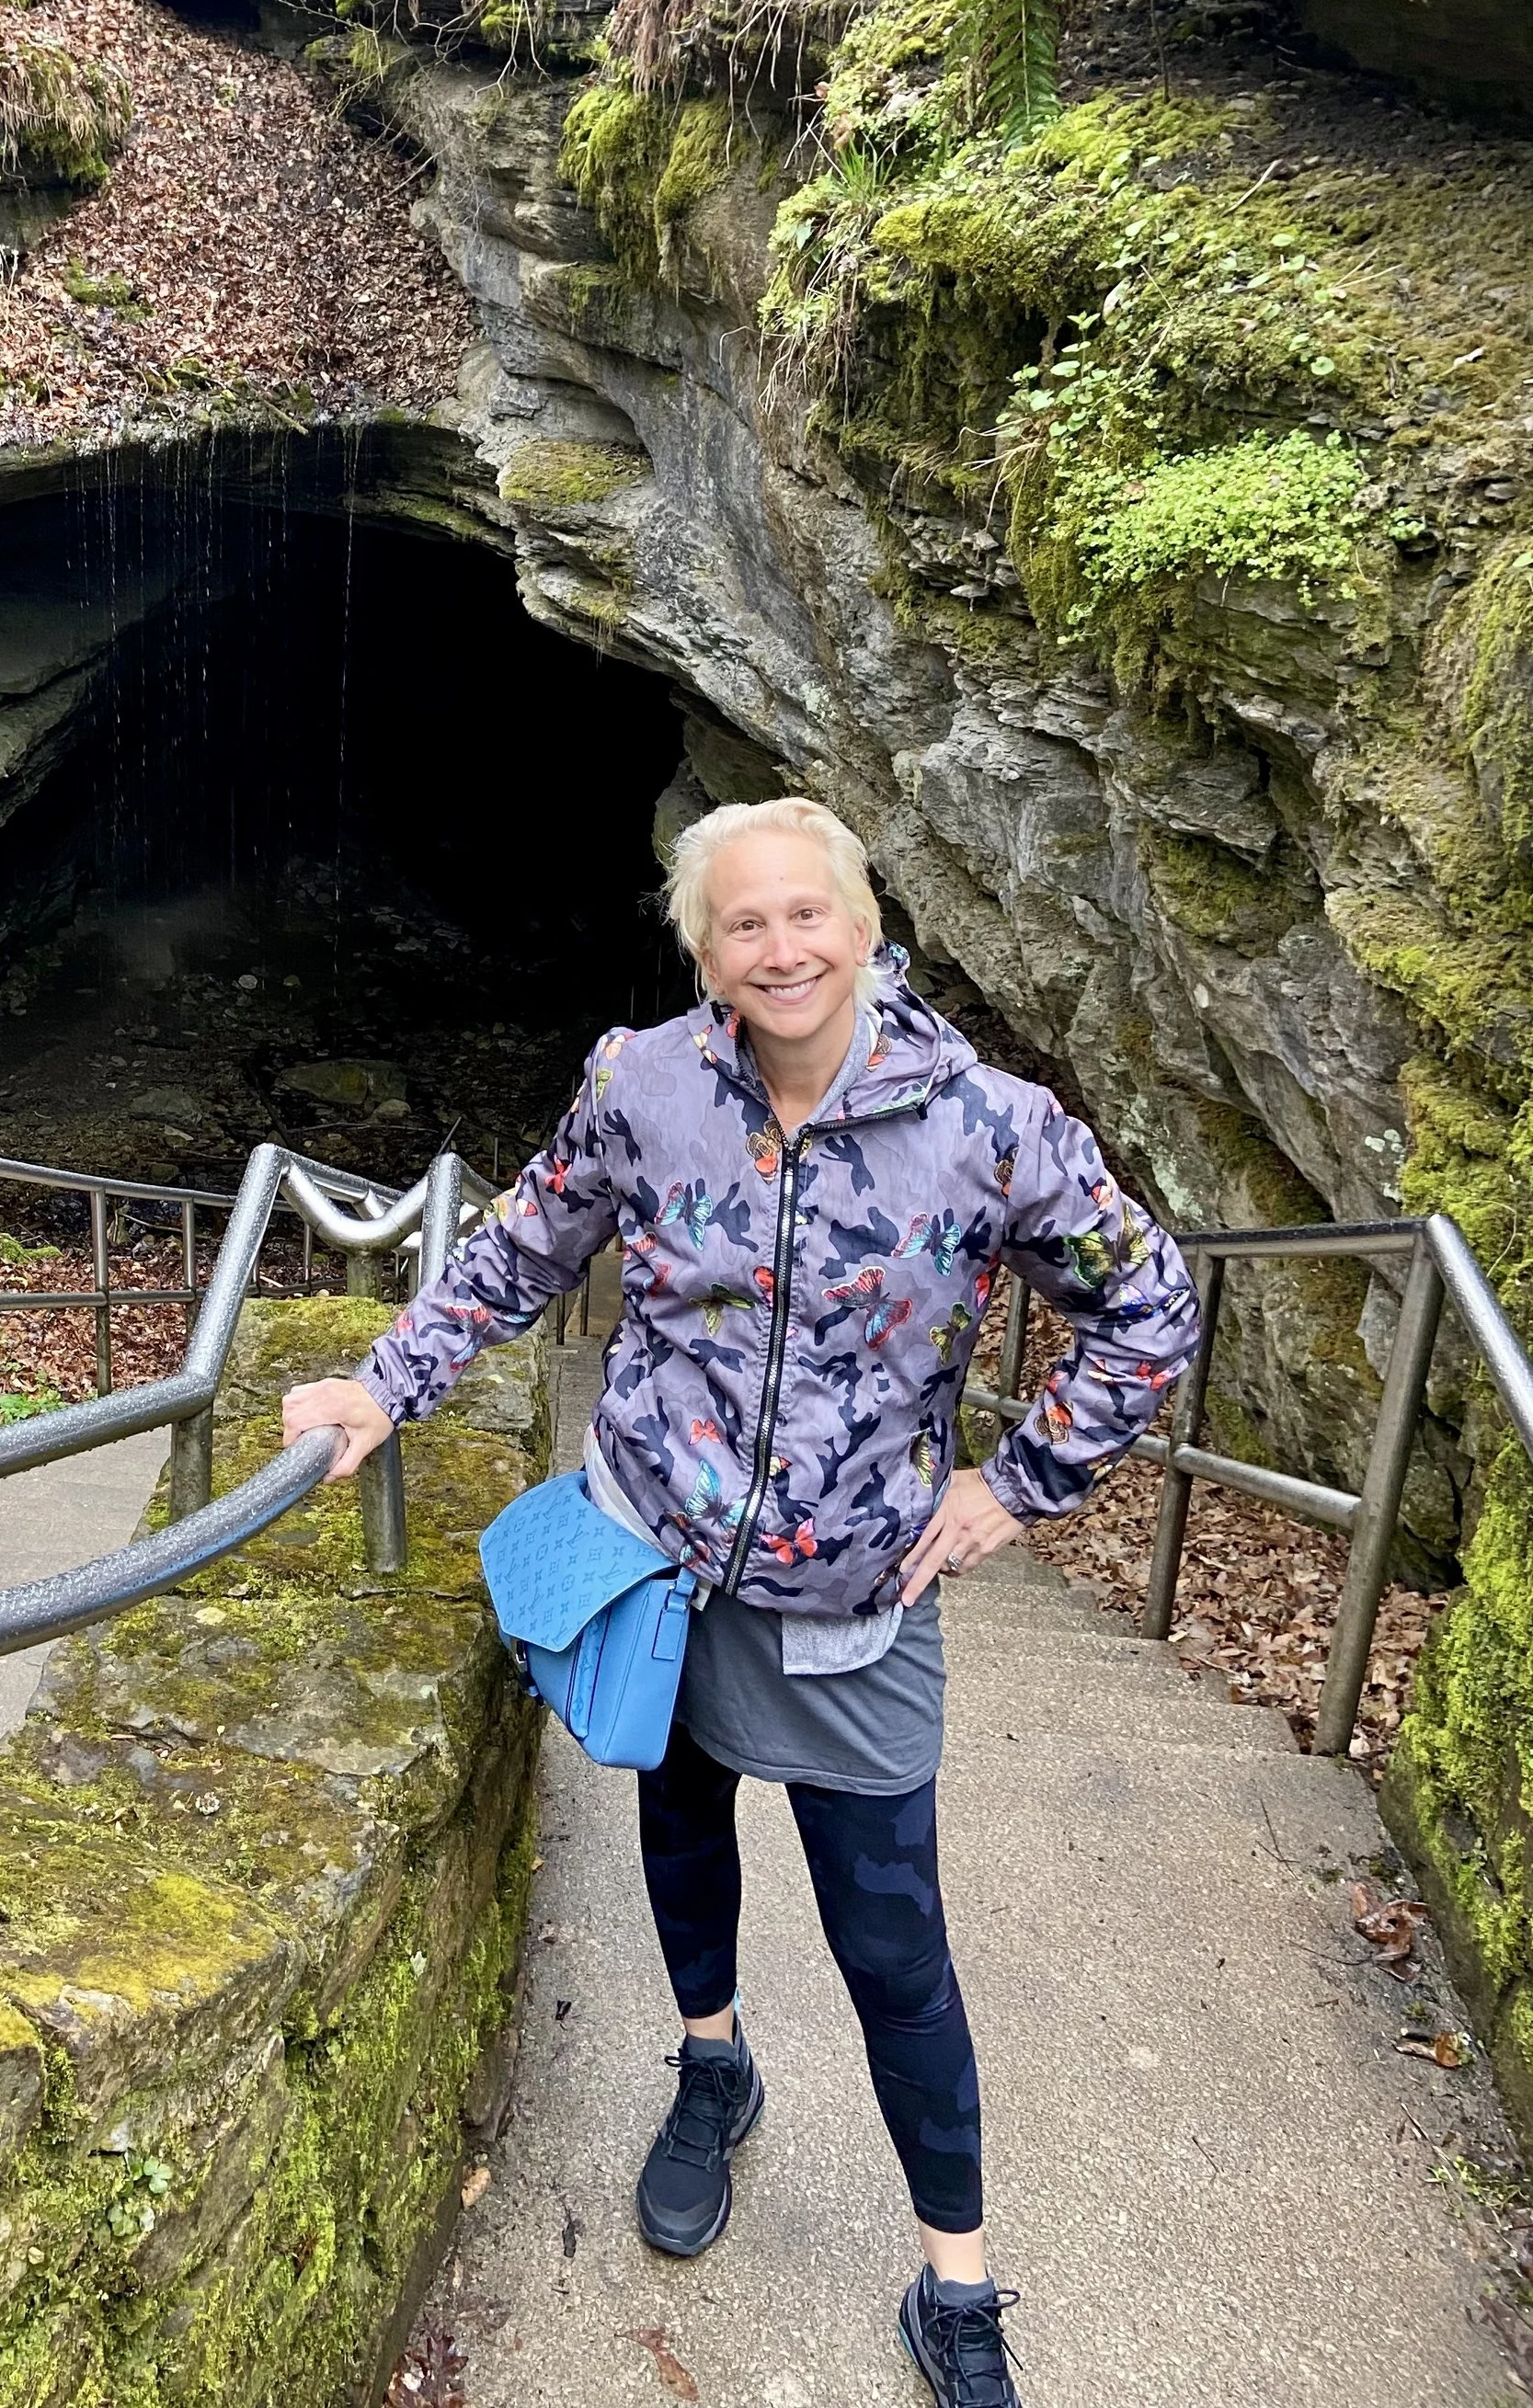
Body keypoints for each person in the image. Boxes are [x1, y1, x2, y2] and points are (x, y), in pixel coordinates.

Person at [282, 796, 1201, 2408]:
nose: (779, 948)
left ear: (863, 926)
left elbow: (1148, 1302)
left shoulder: (990, 1125)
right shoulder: (640, 1084)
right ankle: (711, 2063)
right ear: (703, 946)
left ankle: (956, 2285)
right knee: (681, 1824)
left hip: (856, 1600)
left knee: (892, 1942)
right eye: (742, 923)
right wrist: (383, 1386)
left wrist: (1017, 1485)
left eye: (806, 915)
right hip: (661, 1564)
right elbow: (517, 1246)